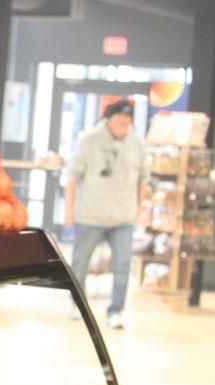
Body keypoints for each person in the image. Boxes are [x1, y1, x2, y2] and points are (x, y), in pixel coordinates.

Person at [63, 99, 148, 329]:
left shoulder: (138, 143)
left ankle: (116, 311)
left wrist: (141, 208)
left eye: (128, 117)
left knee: (122, 266)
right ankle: (77, 304)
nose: (124, 121)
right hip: (92, 215)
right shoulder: (89, 140)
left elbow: (143, 179)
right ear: (108, 118)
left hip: (124, 217)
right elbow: (72, 178)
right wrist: (68, 209)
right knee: (80, 263)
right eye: (119, 116)